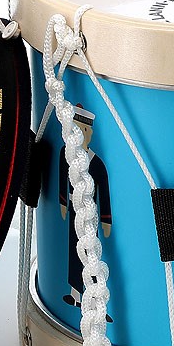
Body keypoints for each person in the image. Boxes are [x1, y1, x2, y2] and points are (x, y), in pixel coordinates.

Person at [59, 104, 112, 319]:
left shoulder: (96, 163)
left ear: (90, 133)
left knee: (94, 256)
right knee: (74, 252)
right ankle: (75, 295)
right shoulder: (65, 154)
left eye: (84, 130)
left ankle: (100, 304)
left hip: (92, 214)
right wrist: (63, 203)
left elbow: (104, 193)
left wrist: (106, 220)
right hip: (74, 210)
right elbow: (62, 181)